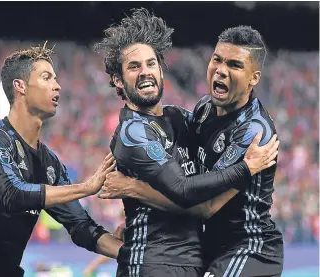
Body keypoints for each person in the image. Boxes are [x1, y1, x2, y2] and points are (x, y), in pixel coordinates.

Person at [94, 8, 279, 277]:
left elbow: (205, 205)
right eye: (134, 66)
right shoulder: (136, 131)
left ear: (161, 69)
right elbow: (184, 190)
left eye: (150, 63)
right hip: (154, 262)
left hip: (224, 252)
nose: (145, 72)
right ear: (118, 81)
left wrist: (135, 188)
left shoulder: (189, 118)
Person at [0, 43, 123, 277]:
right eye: (46, 78)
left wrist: (131, 252)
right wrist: (85, 188)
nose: (57, 85)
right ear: (20, 86)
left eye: (56, 78)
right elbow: (14, 194)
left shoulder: (49, 163)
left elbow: (82, 227)